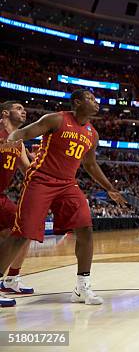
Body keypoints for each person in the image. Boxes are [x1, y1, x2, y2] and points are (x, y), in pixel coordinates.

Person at [0, 90, 127, 305]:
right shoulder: (56, 119)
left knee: (85, 228)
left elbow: (90, 164)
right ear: (77, 103)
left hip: (68, 184)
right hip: (41, 179)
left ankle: (81, 288)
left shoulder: (92, 133)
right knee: (21, 233)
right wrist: (11, 138)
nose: (96, 103)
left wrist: (109, 188)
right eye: (91, 99)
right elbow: (27, 132)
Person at [0, 101, 33, 307]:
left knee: (25, 228)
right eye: (19, 108)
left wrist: (40, 162)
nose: (24, 111)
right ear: (5, 113)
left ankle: (11, 279)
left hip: (1, 196)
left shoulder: (18, 142)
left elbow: (29, 172)